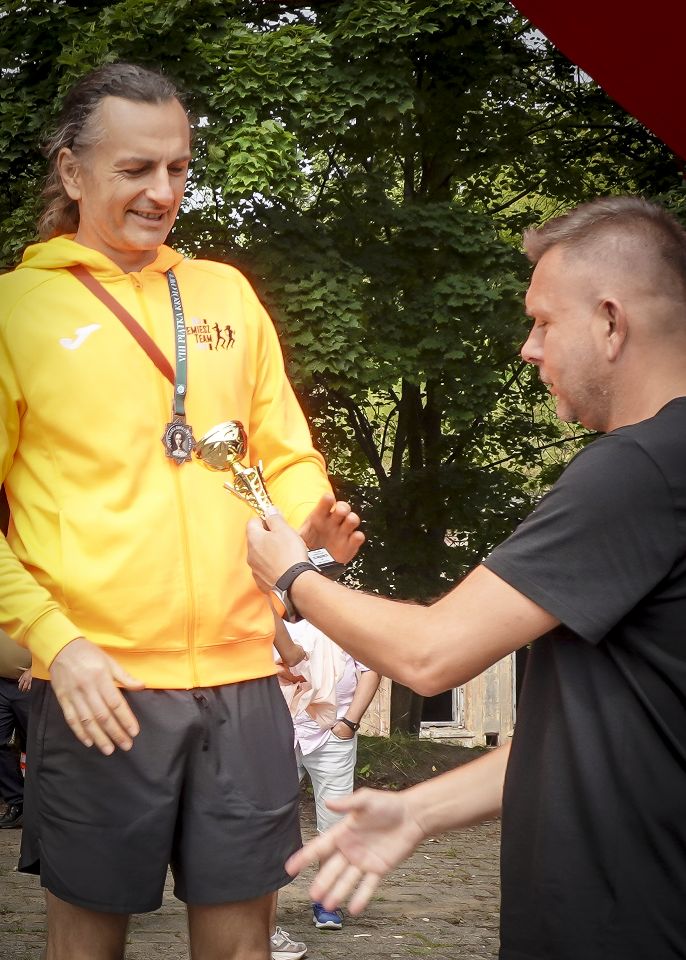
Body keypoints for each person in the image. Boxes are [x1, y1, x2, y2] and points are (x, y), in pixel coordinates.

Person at [246, 196, 686, 960]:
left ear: (611, 323)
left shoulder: (637, 469)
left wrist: (292, 576)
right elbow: (596, 738)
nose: (528, 348)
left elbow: (430, 653)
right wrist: (418, 811)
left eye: (543, 322)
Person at [0, 63, 364, 960]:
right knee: (86, 948)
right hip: (99, 684)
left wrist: (306, 524)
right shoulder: (16, 311)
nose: (162, 192)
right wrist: (55, 641)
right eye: (135, 169)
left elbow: (286, 452)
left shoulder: (225, 293)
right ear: (72, 171)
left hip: (244, 681)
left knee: (243, 949)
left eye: (178, 168)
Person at [272, 618, 380, 941]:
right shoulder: (268, 611)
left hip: (332, 733)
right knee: (269, 818)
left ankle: (327, 900)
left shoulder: (338, 615)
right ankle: (261, 907)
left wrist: (349, 723)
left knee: (335, 821)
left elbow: (371, 669)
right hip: (280, 731)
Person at [0, 629, 31, 828]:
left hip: (31, 683)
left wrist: (37, 668)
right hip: (1, 684)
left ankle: (43, 806)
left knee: (38, 746)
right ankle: (17, 802)